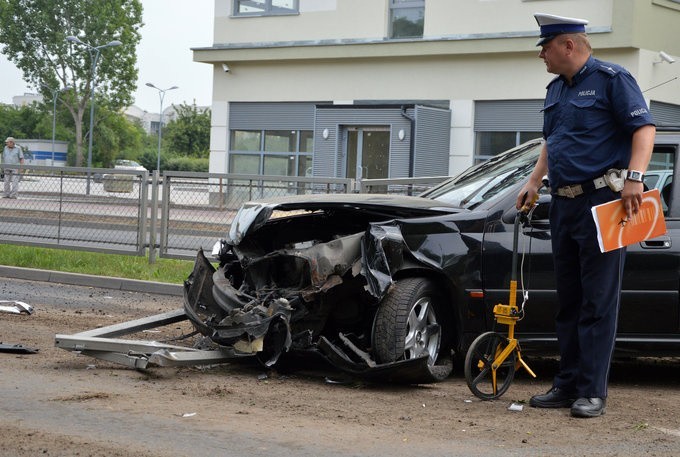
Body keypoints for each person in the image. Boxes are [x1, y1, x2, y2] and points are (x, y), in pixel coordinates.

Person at [517, 13, 656, 418]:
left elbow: (643, 129)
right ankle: (567, 384)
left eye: (545, 47)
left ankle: (592, 392)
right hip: (563, 203)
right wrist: (534, 180)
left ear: (568, 46)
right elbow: (553, 141)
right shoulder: (556, 89)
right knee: (570, 302)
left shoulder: (613, 80)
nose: (541, 55)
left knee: (597, 302)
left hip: (603, 203)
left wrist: (635, 177)